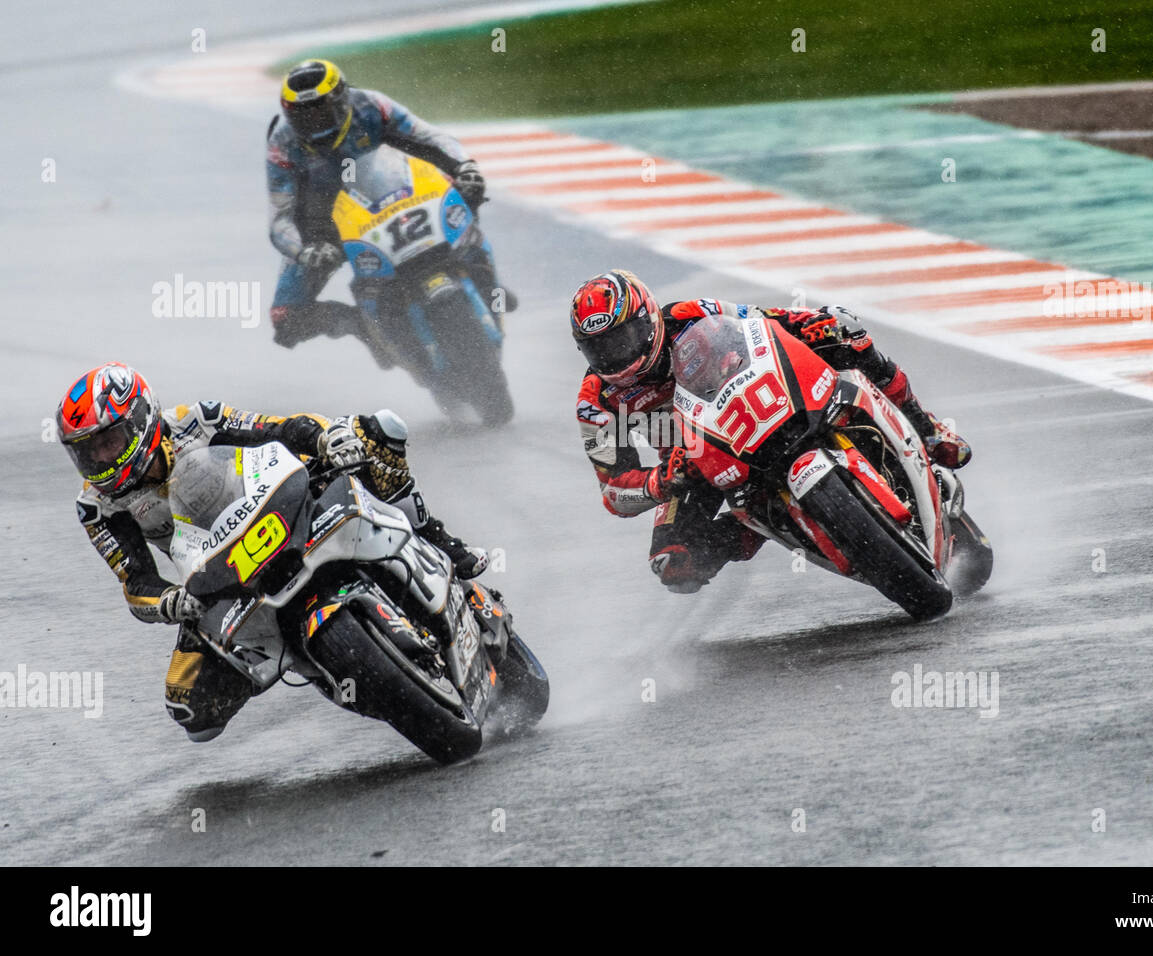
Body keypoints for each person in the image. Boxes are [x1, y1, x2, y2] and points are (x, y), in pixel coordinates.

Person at [57, 362, 487, 741]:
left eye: (107, 442)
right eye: (86, 452)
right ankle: (314, 661)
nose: (99, 459)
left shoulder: (194, 421)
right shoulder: (96, 507)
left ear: (141, 419)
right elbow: (135, 582)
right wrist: (170, 601)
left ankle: (437, 538)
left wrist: (325, 439)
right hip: (216, 570)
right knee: (190, 708)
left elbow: (277, 428)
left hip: (275, 507)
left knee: (374, 433)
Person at [570, 269, 971, 593]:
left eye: (621, 339)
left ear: (648, 320)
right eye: (599, 348)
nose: (615, 357)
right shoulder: (596, 402)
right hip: (698, 462)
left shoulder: (691, 314)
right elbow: (615, 490)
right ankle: (761, 524)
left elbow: (763, 321)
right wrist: (661, 480)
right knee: (674, 563)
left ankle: (928, 428)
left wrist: (812, 324)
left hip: (762, 399)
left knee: (846, 336)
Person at [266, 58, 511, 350]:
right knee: (286, 319)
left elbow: (429, 136)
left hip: (395, 191)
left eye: (322, 112)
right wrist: (306, 251)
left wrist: (465, 167)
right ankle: (369, 329)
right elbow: (280, 218)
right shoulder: (282, 145)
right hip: (323, 222)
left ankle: (480, 274)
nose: (315, 123)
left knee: (464, 187)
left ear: (341, 100)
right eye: (304, 117)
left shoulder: (371, 106)